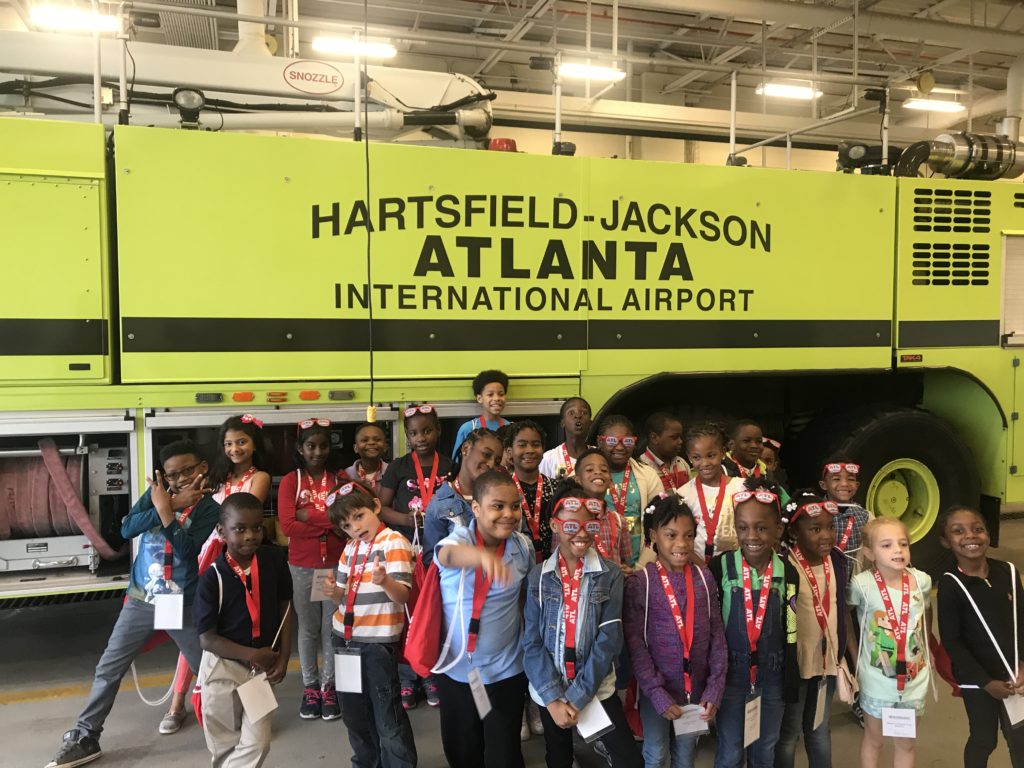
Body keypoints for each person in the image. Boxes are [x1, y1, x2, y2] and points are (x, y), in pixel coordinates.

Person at [46, 440, 220, 768]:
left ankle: (230, 726)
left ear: (203, 468)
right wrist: (167, 503)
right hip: (141, 600)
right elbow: (127, 529)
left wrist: (168, 512)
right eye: (172, 474)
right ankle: (86, 736)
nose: (180, 479)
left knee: (207, 667)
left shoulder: (209, 508)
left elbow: (186, 550)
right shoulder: (157, 493)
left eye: (187, 470)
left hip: (180, 602)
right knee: (109, 667)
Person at [162, 414, 271, 735]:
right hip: (205, 557)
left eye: (242, 442)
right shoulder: (214, 477)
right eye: (228, 443)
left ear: (254, 444)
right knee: (200, 629)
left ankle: (255, 711)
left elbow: (242, 515)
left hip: (238, 558)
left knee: (247, 631)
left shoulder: (260, 477)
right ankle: (177, 703)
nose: (235, 449)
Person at [523, 493, 642, 768]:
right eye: (570, 526)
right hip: (550, 689)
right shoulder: (538, 577)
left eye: (590, 526)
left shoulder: (610, 574)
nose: (581, 533)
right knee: (558, 757)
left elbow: (608, 640)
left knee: (628, 759)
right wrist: (552, 699)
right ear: (554, 525)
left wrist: (578, 697)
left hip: (595, 687)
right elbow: (531, 642)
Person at [433, 470, 535, 768]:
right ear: (476, 508)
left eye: (514, 506)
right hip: (457, 671)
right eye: (497, 506)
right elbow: (446, 555)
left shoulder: (522, 547)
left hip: (506, 671)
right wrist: (481, 557)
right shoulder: (459, 540)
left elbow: (524, 599)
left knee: (505, 753)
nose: (508, 514)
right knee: (464, 752)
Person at [624, 495, 726, 768]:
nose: (681, 544)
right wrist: (656, 692)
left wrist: (714, 687)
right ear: (653, 536)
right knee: (656, 753)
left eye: (688, 535)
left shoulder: (704, 578)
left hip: (696, 691)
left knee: (686, 754)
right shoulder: (641, 583)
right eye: (671, 535)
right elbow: (636, 644)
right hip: (656, 690)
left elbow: (717, 635)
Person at [192, 493, 293, 768]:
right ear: (221, 531)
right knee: (224, 744)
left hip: (259, 671)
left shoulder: (273, 560)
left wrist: (284, 656)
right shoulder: (212, 577)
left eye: (257, 527)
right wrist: (252, 654)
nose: (250, 535)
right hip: (222, 667)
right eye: (239, 529)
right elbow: (207, 639)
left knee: (259, 742)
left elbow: (286, 608)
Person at [323, 480, 418, 768]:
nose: (355, 527)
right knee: (354, 714)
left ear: (376, 506)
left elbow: (402, 595)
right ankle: (366, 762)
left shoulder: (394, 542)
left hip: (377, 644)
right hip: (344, 640)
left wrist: (385, 581)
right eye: (347, 525)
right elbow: (341, 598)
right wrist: (333, 592)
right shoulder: (350, 548)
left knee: (387, 713)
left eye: (359, 516)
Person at [710, 478, 798, 768]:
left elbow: (792, 629)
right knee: (731, 749)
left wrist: (790, 679)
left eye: (761, 528)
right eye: (743, 527)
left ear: (778, 530)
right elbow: (711, 628)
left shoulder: (788, 573)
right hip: (732, 675)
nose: (752, 536)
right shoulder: (721, 567)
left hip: (772, 675)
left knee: (765, 749)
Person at [937, 505, 1024, 768]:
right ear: (945, 541)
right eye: (958, 531)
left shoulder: (1008, 572)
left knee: (1020, 738)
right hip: (978, 681)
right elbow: (953, 642)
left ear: (988, 533)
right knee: (984, 739)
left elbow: (1022, 622)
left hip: (1014, 676)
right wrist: (986, 682)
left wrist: (1022, 665)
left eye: (978, 529)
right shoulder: (950, 585)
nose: (970, 536)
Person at [379, 403, 452, 710]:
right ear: (407, 436)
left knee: (435, 612)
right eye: (414, 433)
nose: (421, 438)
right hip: (405, 550)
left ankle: (431, 673)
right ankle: (408, 676)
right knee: (407, 613)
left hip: (440, 552)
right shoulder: (398, 467)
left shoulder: (449, 464)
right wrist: (406, 520)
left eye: (427, 431)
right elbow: (381, 508)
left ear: (438, 431)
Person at [277, 417, 348, 721]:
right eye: (311, 446)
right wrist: (328, 524)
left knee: (330, 628)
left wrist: (309, 516)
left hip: (334, 563)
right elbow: (288, 526)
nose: (318, 452)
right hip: (302, 566)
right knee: (307, 629)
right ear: (300, 448)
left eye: (323, 446)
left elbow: (345, 521)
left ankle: (328, 686)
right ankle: (310, 687)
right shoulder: (291, 481)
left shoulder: (339, 479)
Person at [848, 518, 932, 768]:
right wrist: (853, 655)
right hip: (877, 681)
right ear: (869, 553)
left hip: (915, 681)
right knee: (874, 739)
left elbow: (926, 612)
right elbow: (845, 616)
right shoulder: (862, 585)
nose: (898, 550)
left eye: (903, 544)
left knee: (906, 744)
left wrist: (929, 649)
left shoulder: (921, 581)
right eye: (886, 545)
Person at [775, 490, 849, 768]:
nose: (826, 535)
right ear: (795, 533)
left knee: (818, 728)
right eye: (815, 529)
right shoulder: (785, 566)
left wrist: (844, 656)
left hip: (826, 662)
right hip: (797, 664)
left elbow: (842, 609)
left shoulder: (838, 562)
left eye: (830, 527)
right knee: (789, 732)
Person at [422, 428, 504, 568]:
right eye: (486, 454)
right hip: (459, 580)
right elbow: (431, 562)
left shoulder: (503, 500)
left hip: (498, 579)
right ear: (466, 449)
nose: (491, 464)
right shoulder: (440, 504)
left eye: (497, 461)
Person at [595, 414, 661, 565]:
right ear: (600, 441)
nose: (620, 447)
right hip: (599, 569)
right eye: (612, 441)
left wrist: (640, 568)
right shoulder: (583, 476)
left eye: (627, 441)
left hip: (640, 566)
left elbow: (659, 525)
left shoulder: (648, 475)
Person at [677, 423, 745, 563]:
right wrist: (702, 568)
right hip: (697, 566)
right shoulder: (683, 494)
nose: (705, 463)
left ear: (723, 452)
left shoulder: (741, 487)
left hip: (736, 566)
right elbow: (680, 537)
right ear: (689, 457)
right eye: (697, 457)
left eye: (711, 455)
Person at [558, 451, 632, 569]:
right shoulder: (565, 519)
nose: (598, 472)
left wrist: (625, 571)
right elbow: (558, 558)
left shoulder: (619, 520)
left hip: (612, 580)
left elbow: (625, 561)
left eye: (604, 470)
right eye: (589, 470)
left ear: (611, 481)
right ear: (577, 479)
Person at [507, 419, 556, 561]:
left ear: (543, 450)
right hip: (514, 563)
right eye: (522, 445)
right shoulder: (502, 490)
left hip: (553, 565)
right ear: (510, 452)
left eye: (536, 444)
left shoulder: (556, 488)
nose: (529, 450)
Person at [819, 457, 872, 579]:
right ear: (823, 485)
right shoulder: (815, 515)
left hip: (854, 582)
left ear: (857, 485)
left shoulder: (866, 517)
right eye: (836, 479)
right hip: (823, 581)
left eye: (851, 479)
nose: (844, 484)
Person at [452, 369, 511, 458]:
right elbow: (457, 462)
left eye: (501, 394)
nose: (497, 398)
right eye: (490, 394)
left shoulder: (511, 428)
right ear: (479, 398)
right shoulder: (468, 429)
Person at [539, 397, 592, 480]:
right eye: (571, 413)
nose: (578, 416)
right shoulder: (548, 458)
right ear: (562, 423)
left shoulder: (599, 456)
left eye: (583, 412)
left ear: (590, 423)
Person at [638, 411, 691, 493]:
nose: (680, 441)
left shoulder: (681, 463)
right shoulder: (640, 467)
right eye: (674, 437)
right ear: (654, 438)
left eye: (680, 437)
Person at [345, 421, 389, 495]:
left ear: (385, 446)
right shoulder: (346, 475)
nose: (371, 443)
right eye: (365, 440)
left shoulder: (392, 472)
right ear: (355, 448)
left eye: (377, 439)